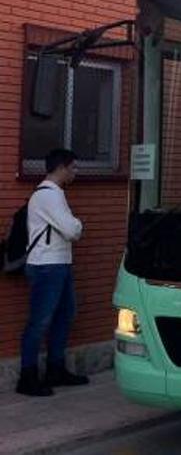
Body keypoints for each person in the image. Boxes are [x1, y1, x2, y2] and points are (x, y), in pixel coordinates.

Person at [17, 149, 87, 397]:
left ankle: (55, 369)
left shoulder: (56, 194)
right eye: (73, 167)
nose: (75, 172)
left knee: (65, 315)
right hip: (47, 265)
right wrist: (77, 224)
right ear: (62, 168)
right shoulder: (48, 196)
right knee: (40, 321)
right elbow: (72, 230)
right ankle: (27, 376)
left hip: (59, 263)